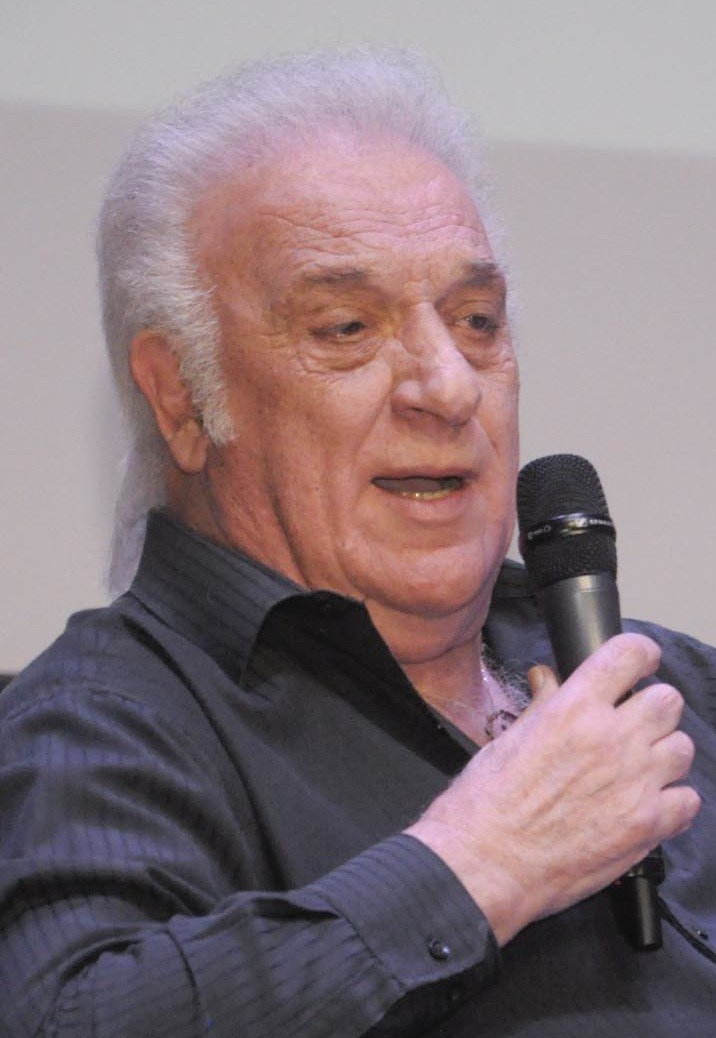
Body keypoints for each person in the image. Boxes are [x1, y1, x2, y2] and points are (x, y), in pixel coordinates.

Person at [1, 49, 714, 1038]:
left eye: (476, 320)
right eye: (345, 328)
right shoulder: (104, 727)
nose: (447, 386)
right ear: (182, 398)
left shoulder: (671, 685)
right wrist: (480, 863)